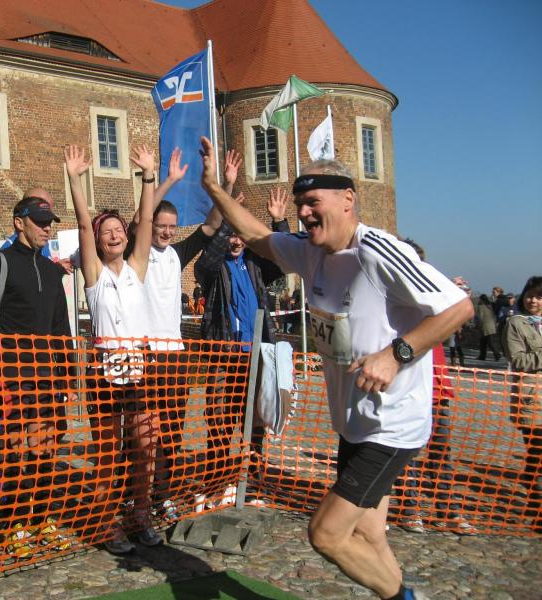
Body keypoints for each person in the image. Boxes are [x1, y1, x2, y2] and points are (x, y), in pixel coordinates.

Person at [198, 136, 473, 600]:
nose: (304, 213)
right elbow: (260, 237)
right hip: (353, 423)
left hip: (391, 425)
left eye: (313, 203)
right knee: (369, 533)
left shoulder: (378, 251)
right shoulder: (310, 251)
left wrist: (396, 354)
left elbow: (458, 307)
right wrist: (214, 189)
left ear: (348, 199)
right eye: (299, 205)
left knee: (326, 534)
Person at [0, 194, 75, 552]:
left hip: (45, 379)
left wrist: (69, 377)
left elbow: (61, 329)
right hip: (9, 376)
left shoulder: (52, 271)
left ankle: (42, 520)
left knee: (44, 454)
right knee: (12, 455)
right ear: (19, 222)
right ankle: (13, 525)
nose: (46, 228)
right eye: (40, 222)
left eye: (49, 223)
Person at [66, 141, 160, 554]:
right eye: (106, 232)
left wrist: (148, 176)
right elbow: (83, 225)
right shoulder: (94, 276)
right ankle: (106, 523)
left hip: (139, 368)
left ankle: (140, 515)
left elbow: (148, 219)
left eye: (118, 229)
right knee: (107, 453)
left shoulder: (137, 268)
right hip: (103, 371)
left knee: (145, 448)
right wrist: (75, 180)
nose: (113, 235)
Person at [126, 147, 227, 515]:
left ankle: (162, 494)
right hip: (145, 353)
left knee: (171, 430)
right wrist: (164, 178)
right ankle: (133, 493)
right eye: (161, 225)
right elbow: (140, 218)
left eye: (172, 226)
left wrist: (224, 185)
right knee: (142, 433)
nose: (166, 231)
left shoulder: (177, 254)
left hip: (174, 355)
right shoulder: (138, 252)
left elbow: (212, 226)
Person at [194, 185, 289, 502]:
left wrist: (279, 223)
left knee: (256, 424)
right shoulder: (213, 267)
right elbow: (205, 263)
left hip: (256, 356)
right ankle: (216, 484)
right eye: (230, 235)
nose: (235, 241)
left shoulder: (255, 265)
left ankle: (252, 484)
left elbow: (283, 261)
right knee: (219, 423)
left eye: (239, 235)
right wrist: (227, 219)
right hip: (225, 356)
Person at [394, 238, 475, 536]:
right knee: (406, 453)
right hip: (405, 385)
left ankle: (447, 510)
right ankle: (409, 508)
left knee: (441, 453)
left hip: (436, 386)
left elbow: (457, 321)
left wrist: (457, 295)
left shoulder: (435, 294)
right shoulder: (392, 298)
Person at [501, 276, 542, 534]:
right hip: (532, 399)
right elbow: (518, 360)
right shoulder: (516, 323)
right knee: (537, 454)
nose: (533, 300)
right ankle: (537, 508)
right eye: (530, 295)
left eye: (539, 296)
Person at [0, 187, 73, 274]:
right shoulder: (2, 259)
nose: (47, 228)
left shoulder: (41, 243)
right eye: (40, 218)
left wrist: (56, 269)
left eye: (48, 220)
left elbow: (39, 276)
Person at [476, 294, 502, 361]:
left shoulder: (481, 307)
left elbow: (480, 318)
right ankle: (483, 356)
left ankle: (496, 354)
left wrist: (478, 325)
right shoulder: (490, 306)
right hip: (492, 326)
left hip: (485, 327)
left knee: (489, 342)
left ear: (481, 299)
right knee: (485, 342)